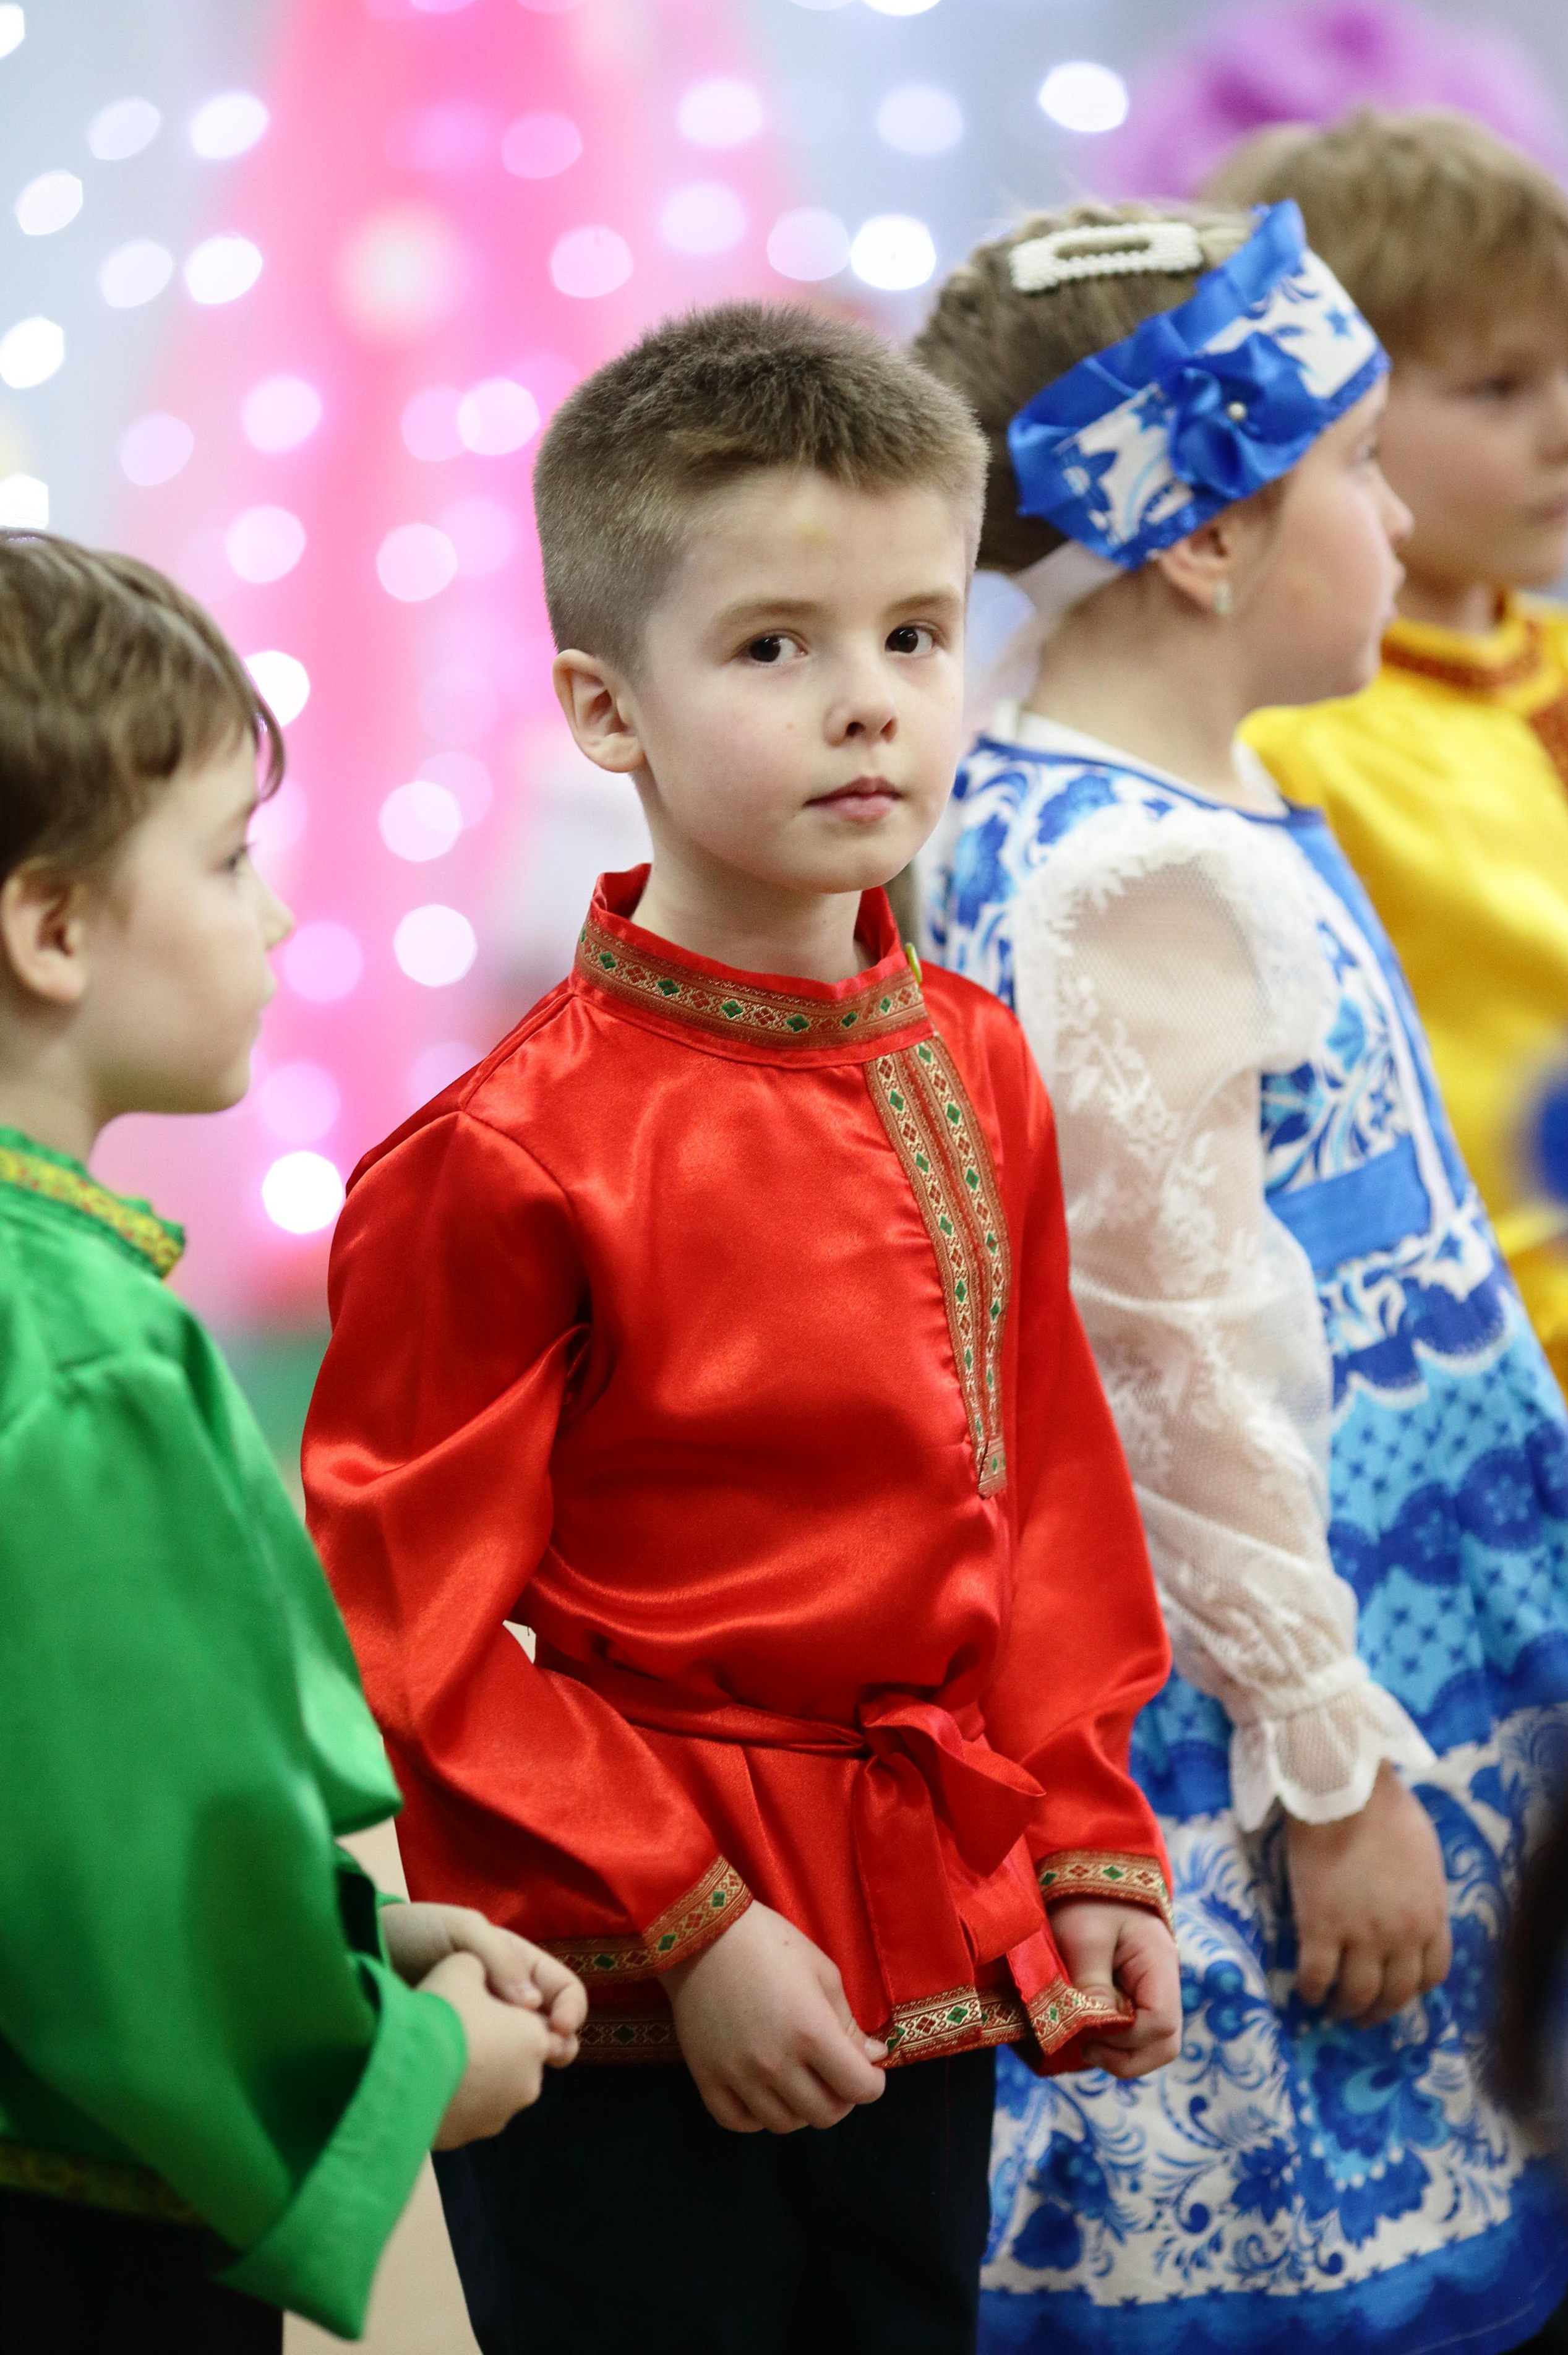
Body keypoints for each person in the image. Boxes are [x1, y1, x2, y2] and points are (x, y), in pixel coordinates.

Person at [301, 301, 1181, 2355]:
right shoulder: (506, 1156)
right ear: (608, 713)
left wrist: (1089, 1839)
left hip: (931, 1929)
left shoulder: (975, 1058)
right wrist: (683, 1931)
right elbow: (411, 1628)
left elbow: (1042, 1476)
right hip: (629, 1980)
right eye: (776, 646)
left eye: (913, 633)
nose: (869, 704)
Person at [918, 196, 1568, 2352]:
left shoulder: (1138, 799)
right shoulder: (1133, 878)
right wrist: (1331, 1767)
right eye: (1363, 473)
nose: (1401, 525)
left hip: (1388, 1606)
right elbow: (1173, 1371)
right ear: (1206, 540)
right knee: (1352, 2240)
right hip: (1293, 1690)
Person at [0, 535, 585, 2353]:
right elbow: (132, 1863)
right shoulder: (79, 1355)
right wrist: (401, 2062)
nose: (267, 919)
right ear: (55, 927)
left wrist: (359, 1937)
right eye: (226, 857)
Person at [1203, 109, 1568, 1431]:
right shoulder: (1283, 749)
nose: (1565, 429)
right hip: (1490, 1412)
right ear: (1320, 414)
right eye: (1496, 387)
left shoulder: (1567, 662)